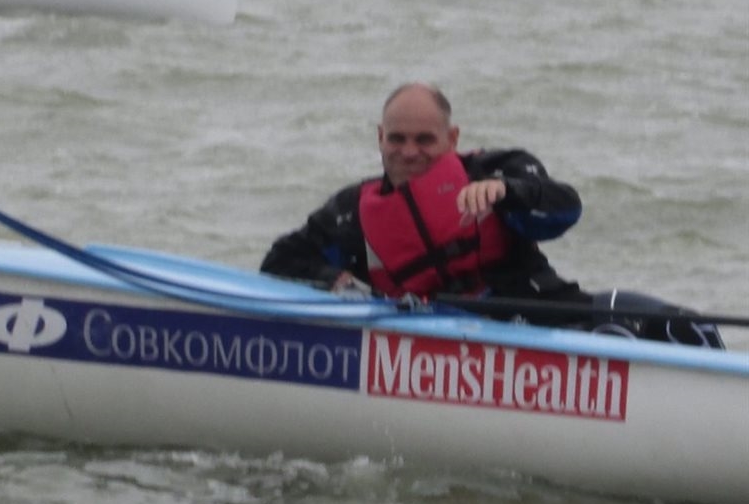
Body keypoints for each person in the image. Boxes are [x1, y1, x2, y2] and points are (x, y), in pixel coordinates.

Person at [260, 81, 724, 347]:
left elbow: (564, 208)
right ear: (380, 138)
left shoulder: (496, 170)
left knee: (688, 328)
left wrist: (508, 193)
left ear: (452, 139)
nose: (409, 152)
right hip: (440, 346)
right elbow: (280, 261)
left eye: (425, 140)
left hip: (545, 323)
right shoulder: (351, 213)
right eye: (397, 139)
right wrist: (338, 281)